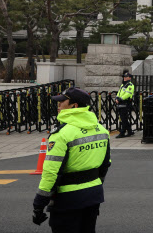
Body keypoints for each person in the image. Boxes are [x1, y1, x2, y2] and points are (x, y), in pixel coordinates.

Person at [32, 87, 111, 233]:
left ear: (74, 106)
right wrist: (94, 184)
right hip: (94, 195)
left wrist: (39, 204)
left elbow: (51, 173)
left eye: (62, 102)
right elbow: (105, 165)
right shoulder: (101, 130)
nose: (58, 105)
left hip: (68, 200)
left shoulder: (62, 134)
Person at [115, 70, 135, 138]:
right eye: (124, 77)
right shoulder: (122, 85)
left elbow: (127, 94)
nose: (124, 78)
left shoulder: (130, 85)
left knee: (124, 119)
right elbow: (119, 92)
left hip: (125, 103)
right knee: (124, 118)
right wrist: (117, 98)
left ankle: (122, 133)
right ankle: (130, 131)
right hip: (120, 103)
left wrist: (120, 99)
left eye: (126, 77)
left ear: (130, 78)